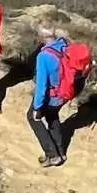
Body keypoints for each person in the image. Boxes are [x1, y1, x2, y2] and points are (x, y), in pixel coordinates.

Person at [27, 28, 71, 165]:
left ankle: (52, 155)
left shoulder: (43, 57)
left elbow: (41, 86)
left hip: (51, 95)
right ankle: (61, 151)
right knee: (52, 117)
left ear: (41, 36)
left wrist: (37, 107)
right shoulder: (63, 45)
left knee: (32, 118)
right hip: (63, 93)